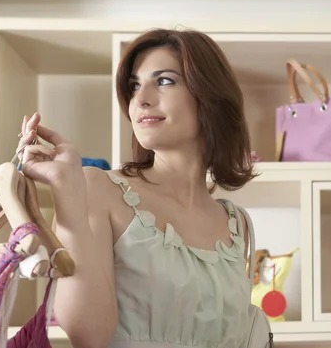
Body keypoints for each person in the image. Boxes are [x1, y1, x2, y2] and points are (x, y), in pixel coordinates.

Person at [16, 28, 259, 348]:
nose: (141, 99)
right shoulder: (98, 189)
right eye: (134, 86)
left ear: (209, 97)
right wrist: (67, 192)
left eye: (164, 80)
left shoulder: (238, 224)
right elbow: (88, 336)